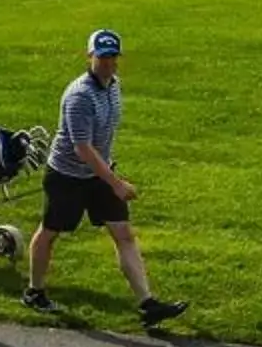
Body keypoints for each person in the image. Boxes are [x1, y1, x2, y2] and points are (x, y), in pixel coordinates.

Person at [22, 28, 188, 331]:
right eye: (102, 57)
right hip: (67, 177)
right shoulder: (79, 96)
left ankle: (147, 303)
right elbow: (82, 149)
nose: (108, 62)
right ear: (90, 56)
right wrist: (116, 183)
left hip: (99, 173)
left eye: (113, 56)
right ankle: (34, 291)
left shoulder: (113, 86)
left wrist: (109, 176)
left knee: (123, 234)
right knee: (50, 232)